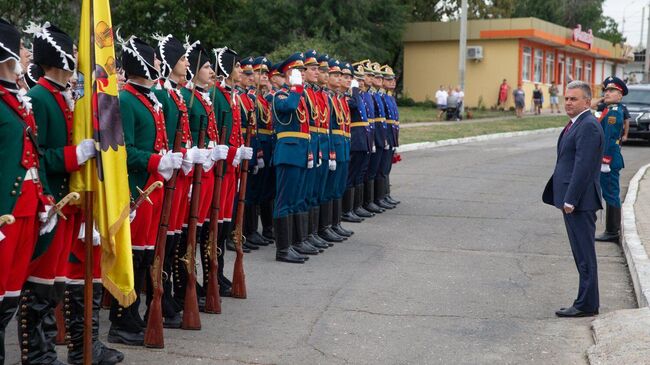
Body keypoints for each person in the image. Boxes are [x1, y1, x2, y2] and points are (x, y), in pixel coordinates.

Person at [19, 21, 95, 364]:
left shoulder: (63, 97)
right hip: (50, 203)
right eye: (73, 50)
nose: (77, 56)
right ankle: (36, 356)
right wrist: (73, 155)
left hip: (68, 205)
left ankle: (46, 351)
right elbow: (38, 156)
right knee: (39, 286)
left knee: (55, 286)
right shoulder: (39, 97)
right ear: (59, 56)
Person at [109, 34, 182, 346]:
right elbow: (121, 151)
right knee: (134, 257)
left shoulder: (148, 97)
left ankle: (134, 314)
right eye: (152, 60)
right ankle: (121, 319)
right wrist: (158, 159)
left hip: (152, 188)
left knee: (148, 254)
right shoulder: (125, 100)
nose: (157, 65)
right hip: (136, 191)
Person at [0, 18, 57, 364]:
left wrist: (44, 199)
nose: (25, 53)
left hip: (26, 211)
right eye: (19, 47)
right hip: (4, 214)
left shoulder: (16, 99)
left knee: (9, 297)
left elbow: (31, 156)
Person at [542, 80, 604, 317]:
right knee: (581, 254)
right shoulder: (576, 124)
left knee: (585, 255)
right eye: (566, 98)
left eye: (574, 99)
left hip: (580, 202)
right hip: (574, 200)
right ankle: (586, 301)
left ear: (587, 102)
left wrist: (571, 199)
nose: (568, 102)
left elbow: (583, 167)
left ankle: (586, 304)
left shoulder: (588, 125)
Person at [595, 77, 627, 243]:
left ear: (620, 96)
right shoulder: (609, 109)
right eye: (606, 90)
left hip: (609, 159)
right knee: (609, 192)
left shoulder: (614, 112)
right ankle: (612, 229)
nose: (607, 93)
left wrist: (605, 160)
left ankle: (612, 231)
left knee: (611, 194)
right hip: (607, 158)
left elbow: (610, 137)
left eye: (612, 91)